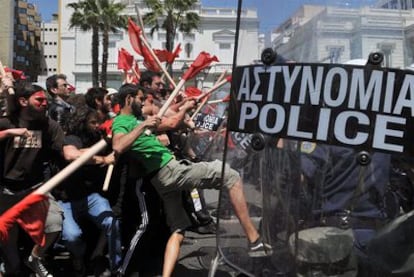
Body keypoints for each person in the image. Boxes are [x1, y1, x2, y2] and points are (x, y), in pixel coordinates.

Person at [112, 84, 272, 277]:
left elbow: (171, 123)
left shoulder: (138, 119)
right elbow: (118, 145)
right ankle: (255, 241)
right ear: (128, 99)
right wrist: (143, 126)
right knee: (231, 176)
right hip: (169, 170)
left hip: (161, 178)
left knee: (179, 229)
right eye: (139, 98)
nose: (143, 102)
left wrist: (186, 108)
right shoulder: (121, 121)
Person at [299, 142, 399, 276]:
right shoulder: (389, 136)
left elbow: (297, 178)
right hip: (376, 240)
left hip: (332, 241)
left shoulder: (330, 135)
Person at [0, 83, 64, 277]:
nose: (45, 103)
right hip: (6, 192)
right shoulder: (7, 122)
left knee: (54, 223)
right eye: (40, 100)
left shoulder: (49, 125)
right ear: (23, 101)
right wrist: (10, 133)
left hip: (35, 189)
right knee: (11, 258)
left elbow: (64, 149)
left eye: (46, 100)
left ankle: (35, 258)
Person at [54, 105, 121, 276]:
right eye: (93, 122)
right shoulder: (71, 138)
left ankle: (116, 265)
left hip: (91, 196)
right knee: (72, 236)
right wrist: (101, 158)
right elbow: (71, 154)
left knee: (112, 223)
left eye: (98, 122)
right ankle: (78, 258)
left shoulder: (99, 136)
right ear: (82, 122)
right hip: (66, 199)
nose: (97, 125)